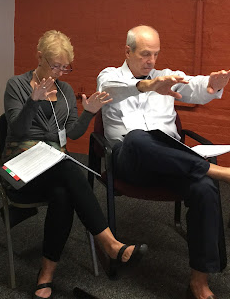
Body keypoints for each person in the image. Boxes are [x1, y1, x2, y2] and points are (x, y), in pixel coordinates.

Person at [3, 30, 147, 299]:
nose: (59, 72)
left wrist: (89, 113)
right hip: (20, 168)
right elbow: (18, 129)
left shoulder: (65, 90)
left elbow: (72, 133)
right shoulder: (17, 85)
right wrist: (33, 101)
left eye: (64, 67)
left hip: (54, 170)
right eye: (55, 66)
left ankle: (46, 274)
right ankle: (110, 244)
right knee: (68, 167)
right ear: (39, 57)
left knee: (63, 193)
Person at [97, 24, 230, 299]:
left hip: (170, 162)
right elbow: (112, 90)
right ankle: (216, 171)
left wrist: (212, 85)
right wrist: (148, 86)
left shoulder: (166, 76)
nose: (152, 60)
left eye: (156, 54)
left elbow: (194, 86)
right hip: (129, 161)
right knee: (137, 138)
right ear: (127, 51)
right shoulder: (109, 76)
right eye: (145, 54)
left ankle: (199, 282)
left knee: (204, 188)